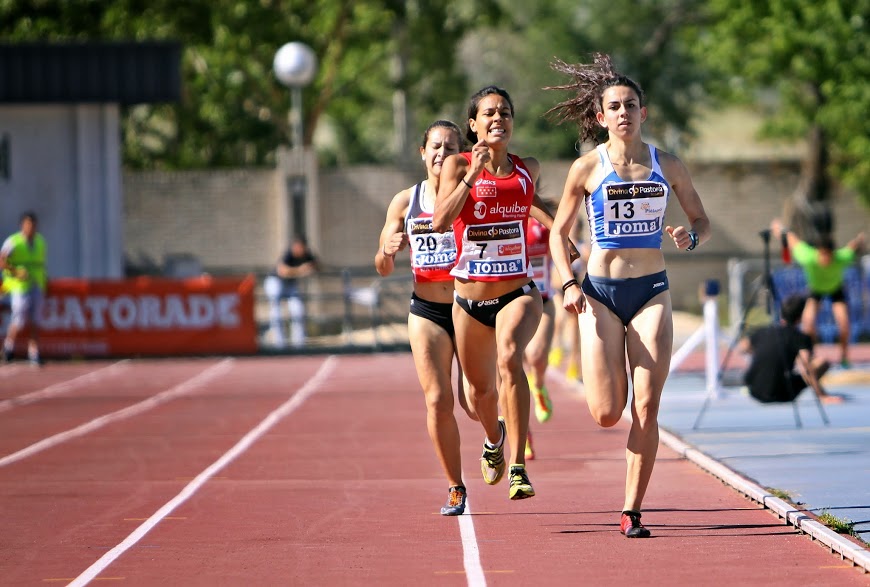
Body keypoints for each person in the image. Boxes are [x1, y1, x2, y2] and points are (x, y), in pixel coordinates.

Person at [546, 54, 711, 537]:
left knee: (646, 407)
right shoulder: (586, 168)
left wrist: (690, 237)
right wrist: (568, 282)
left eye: (631, 105)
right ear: (601, 117)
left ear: (644, 113)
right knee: (605, 413)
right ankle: (628, 494)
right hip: (599, 294)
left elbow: (701, 220)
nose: (624, 113)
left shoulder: (667, 164)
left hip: (651, 291)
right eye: (615, 107)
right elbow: (558, 234)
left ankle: (632, 510)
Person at [434, 85, 565, 501]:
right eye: (488, 113)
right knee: (477, 396)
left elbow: (530, 203)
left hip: (518, 291)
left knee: (510, 356)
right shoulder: (456, 165)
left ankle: (518, 467)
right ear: (473, 125)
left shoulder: (527, 167)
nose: (498, 119)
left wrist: (561, 236)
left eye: (505, 112)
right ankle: (495, 438)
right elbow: (440, 220)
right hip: (469, 300)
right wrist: (472, 175)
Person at [375, 119, 476, 516]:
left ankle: (495, 432)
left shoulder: (470, 194)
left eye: (450, 147)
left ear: (460, 155)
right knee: (437, 399)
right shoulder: (405, 201)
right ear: (423, 152)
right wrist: (388, 249)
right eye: (435, 146)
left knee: (473, 401)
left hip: (468, 307)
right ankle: (455, 486)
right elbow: (382, 266)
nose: (441, 154)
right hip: (427, 310)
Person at [770, 218, 864, 368]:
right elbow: (793, 240)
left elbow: (851, 248)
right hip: (816, 290)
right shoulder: (808, 256)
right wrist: (780, 229)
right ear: (817, 253)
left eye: (828, 256)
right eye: (822, 255)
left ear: (833, 254)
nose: (824, 260)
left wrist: (860, 239)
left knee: (844, 324)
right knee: (808, 322)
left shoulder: (840, 258)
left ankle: (844, 357)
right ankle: (811, 353)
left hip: (835, 289)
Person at [741, 294, 843, 405]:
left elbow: (743, 347)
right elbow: (807, 368)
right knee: (823, 363)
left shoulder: (763, 331)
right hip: (781, 394)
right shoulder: (801, 338)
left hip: (754, 391)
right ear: (801, 316)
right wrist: (822, 396)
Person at [1, 211, 47, 366]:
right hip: (18, 285)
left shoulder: (40, 241)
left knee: (36, 319)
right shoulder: (13, 241)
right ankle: (8, 348)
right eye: (28, 225)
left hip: (36, 283)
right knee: (19, 318)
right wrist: (15, 272)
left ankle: (34, 352)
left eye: (33, 225)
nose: (31, 228)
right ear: (22, 225)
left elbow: (41, 264)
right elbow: (2, 261)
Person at [263, 236, 318, 348]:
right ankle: (279, 344)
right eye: (295, 246)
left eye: (300, 247)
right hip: (276, 282)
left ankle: (299, 344)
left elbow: (316, 265)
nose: (297, 249)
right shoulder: (288, 254)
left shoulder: (307, 255)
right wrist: (300, 270)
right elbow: (282, 271)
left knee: (298, 309)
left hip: (290, 284)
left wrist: (310, 268)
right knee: (276, 312)